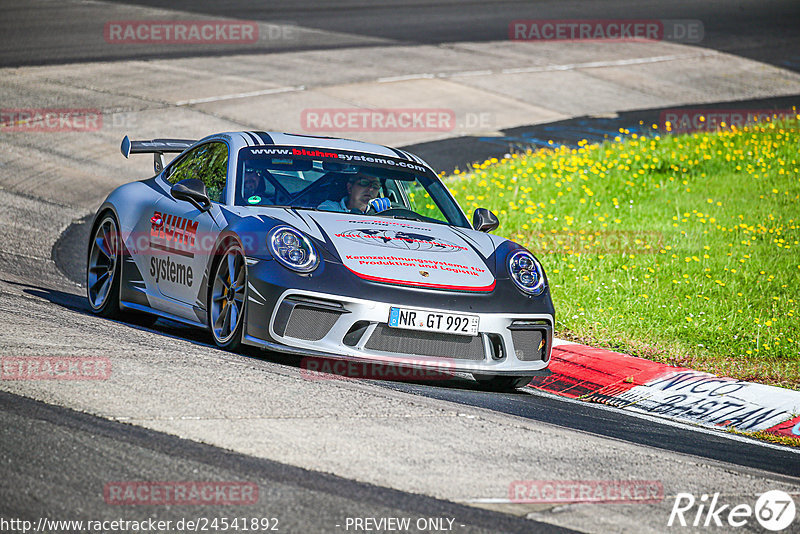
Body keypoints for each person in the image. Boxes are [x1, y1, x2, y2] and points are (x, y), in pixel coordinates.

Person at [318, 174, 389, 213]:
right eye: (364, 183)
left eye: (376, 185)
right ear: (350, 188)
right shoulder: (329, 208)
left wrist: (385, 214)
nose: (371, 189)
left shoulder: (381, 211)